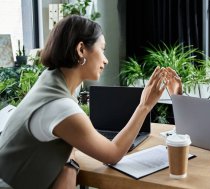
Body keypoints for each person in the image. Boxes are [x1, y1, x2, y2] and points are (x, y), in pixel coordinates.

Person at [0, 15, 167, 189]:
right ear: (81, 49)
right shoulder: (60, 107)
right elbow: (113, 154)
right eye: (102, 49)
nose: (106, 59)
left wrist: (69, 164)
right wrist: (144, 105)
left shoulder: (50, 79)